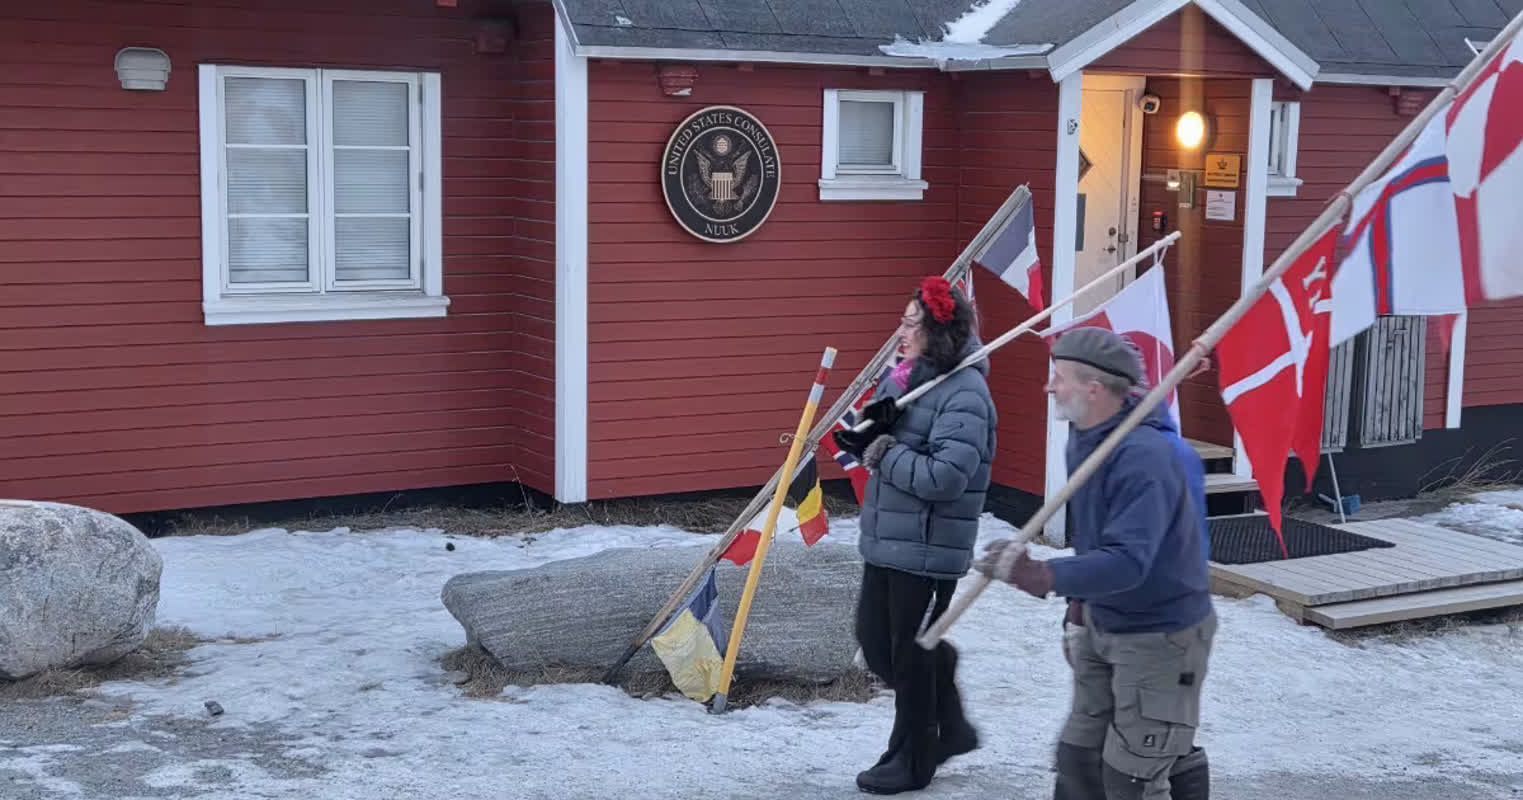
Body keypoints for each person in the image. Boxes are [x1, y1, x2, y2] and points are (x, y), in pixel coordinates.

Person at [979, 327, 1214, 800]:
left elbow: (1129, 562)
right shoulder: (1085, 435)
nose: (1049, 387)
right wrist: (1078, 605)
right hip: (1104, 619)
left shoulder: (1144, 457)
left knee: (1133, 776)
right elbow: (1094, 538)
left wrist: (1041, 575)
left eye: (1058, 377)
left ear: (1094, 387)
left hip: (1160, 633)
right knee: (1079, 762)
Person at [832, 276, 996, 795]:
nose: (901, 331)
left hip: (928, 550)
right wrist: (866, 429)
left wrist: (883, 452)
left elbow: (946, 478)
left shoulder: (967, 394)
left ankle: (914, 756)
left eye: (911, 323)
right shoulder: (906, 377)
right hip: (887, 540)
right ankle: (951, 721)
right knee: (877, 645)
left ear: (938, 332)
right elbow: (881, 432)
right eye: (903, 320)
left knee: (909, 654)